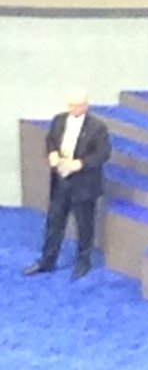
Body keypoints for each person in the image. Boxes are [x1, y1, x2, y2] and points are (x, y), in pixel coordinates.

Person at [24, 90, 111, 281]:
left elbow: (103, 154)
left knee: (84, 224)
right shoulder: (59, 120)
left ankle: (83, 261)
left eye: (77, 105)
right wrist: (52, 153)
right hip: (61, 181)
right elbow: (51, 140)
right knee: (54, 222)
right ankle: (47, 260)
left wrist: (80, 164)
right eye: (70, 105)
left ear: (85, 105)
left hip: (84, 183)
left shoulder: (98, 127)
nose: (73, 109)